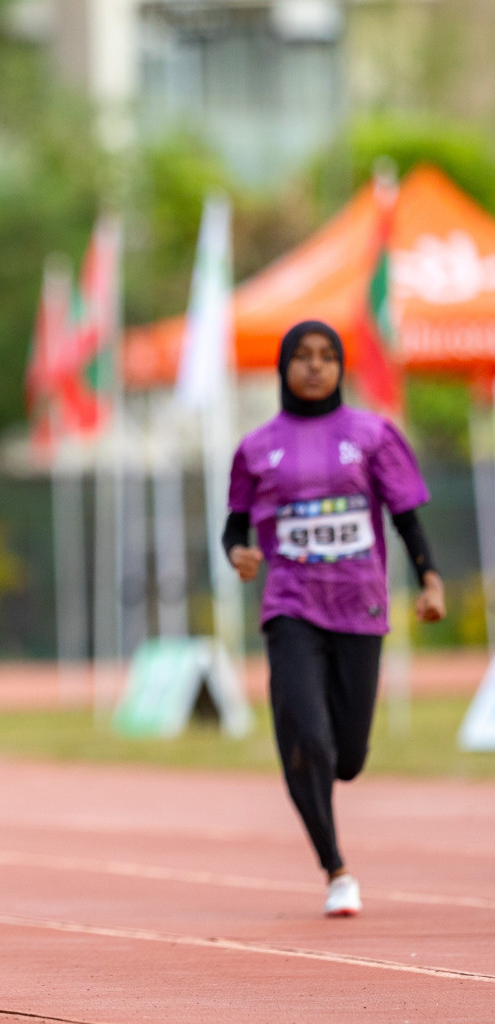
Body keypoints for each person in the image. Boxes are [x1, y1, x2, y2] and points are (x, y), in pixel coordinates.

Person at [225, 320, 444, 917]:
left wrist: (429, 579)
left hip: (360, 605)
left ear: (341, 366)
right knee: (308, 739)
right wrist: (238, 553)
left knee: (347, 755)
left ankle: (329, 772)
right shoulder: (255, 446)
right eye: (303, 356)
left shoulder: (373, 434)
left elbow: (405, 516)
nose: (315, 366)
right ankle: (335, 868)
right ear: (283, 368)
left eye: (327, 356)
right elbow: (235, 526)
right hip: (291, 605)